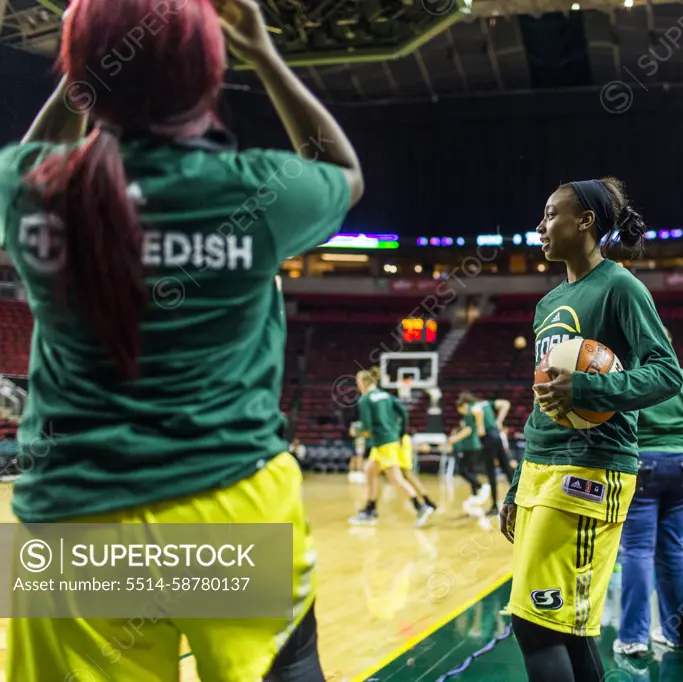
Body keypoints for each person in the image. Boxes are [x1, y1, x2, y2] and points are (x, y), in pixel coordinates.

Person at [0, 0, 363, 677]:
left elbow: (37, 154)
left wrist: (86, 65)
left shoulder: (27, 190)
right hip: (229, 507)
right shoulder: (256, 189)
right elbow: (344, 172)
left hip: (77, 522)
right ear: (208, 74)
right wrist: (265, 53)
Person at [499, 177, 683, 682]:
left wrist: (586, 389)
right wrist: (518, 484)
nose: (540, 226)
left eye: (551, 214)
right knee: (566, 628)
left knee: (534, 623)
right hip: (544, 468)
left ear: (585, 222)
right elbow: (543, 406)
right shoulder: (546, 306)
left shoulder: (621, 286)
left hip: (590, 471)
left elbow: (666, 371)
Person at [615, 329, 683, 656]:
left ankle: (632, 637)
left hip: (643, 465)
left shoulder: (634, 379)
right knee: (673, 549)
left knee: (637, 550)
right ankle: (677, 634)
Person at [349, 368, 433, 527]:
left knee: (395, 478)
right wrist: (401, 434)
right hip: (390, 440)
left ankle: (421, 506)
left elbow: (366, 426)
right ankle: (370, 509)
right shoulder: (387, 396)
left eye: (357, 383)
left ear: (363, 383)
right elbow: (404, 414)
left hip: (383, 442)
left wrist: (357, 431)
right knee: (369, 472)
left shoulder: (365, 400)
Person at [458, 392, 514, 514]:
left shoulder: (473, 407)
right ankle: (519, 500)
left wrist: (480, 429)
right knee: (507, 468)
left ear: (464, 404)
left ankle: (494, 506)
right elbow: (505, 404)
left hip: (488, 438)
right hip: (497, 436)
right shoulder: (486, 403)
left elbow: (478, 412)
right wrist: (499, 421)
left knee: (491, 472)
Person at [448, 406, 491, 513]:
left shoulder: (469, 416)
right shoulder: (469, 417)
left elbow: (468, 430)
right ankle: (475, 493)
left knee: (462, 470)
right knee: (470, 470)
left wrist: (454, 438)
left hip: (472, 448)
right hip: (470, 448)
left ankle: (481, 486)